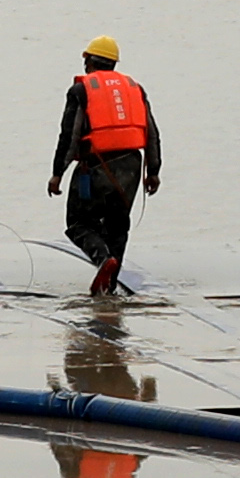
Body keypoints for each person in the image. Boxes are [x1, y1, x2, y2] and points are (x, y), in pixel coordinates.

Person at [50, 36, 161, 296]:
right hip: (132, 167)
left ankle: (103, 260)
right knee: (118, 225)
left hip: (95, 165)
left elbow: (69, 135)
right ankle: (109, 287)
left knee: (78, 223)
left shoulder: (82, 90)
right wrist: (153, 171)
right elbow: (152, 132)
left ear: (87, 60)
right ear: (113, 64)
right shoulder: (135, 88)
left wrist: (57, 173)